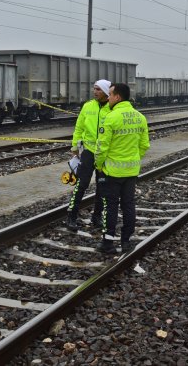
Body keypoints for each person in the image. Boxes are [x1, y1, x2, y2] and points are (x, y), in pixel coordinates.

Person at [94, 83, 150, 253]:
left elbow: (101, 147)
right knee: (129, 205)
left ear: (117, 97)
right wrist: (134, 159)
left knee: (110, 206)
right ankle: (126, 241)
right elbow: (144, 145)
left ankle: (108, 243)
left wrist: (99, 165)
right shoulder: (140, 117)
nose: (108, 97)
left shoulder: (110, 118)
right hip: (131, 171)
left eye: (110, 94)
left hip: (112, 172)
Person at [66, 79, 112, 232]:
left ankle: (97, 216)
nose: (95, 92)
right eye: (94, 89)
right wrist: (74, 147)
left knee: (102, 186)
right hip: (88, 152)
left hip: (104, 155)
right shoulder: (87, 106)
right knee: (81, 184)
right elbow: (79, 128)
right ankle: (71, 215)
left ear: (106, 92)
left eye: (98, 89)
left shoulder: (113, 108)